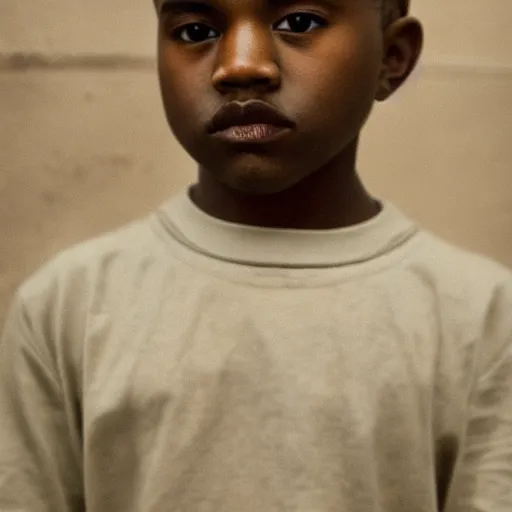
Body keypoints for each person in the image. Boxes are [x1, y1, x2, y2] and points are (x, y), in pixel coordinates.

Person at [1, 0, 511, 510]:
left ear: (392, 57)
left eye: (300, 23)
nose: (241, 65)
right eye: (196, 30)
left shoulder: (484, 319)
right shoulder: (66, 309)